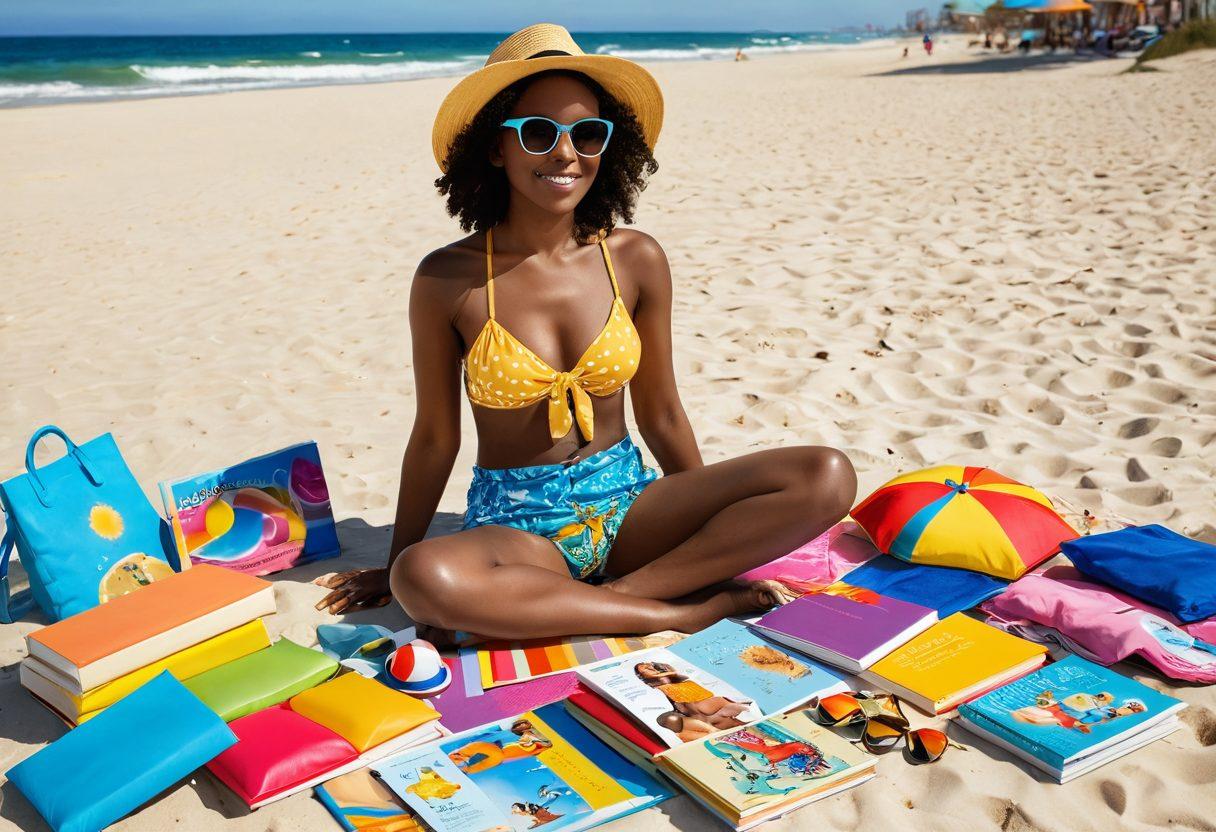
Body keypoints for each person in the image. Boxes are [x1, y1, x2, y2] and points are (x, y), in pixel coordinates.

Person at [313, 23, 856, 645]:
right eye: (539, 133)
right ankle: (676, 611)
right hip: (520, 529)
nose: (566, 154)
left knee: (827, 474)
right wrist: (394, 563)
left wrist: (707, 525)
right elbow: (436, 437)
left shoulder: (635, 259)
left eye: (587, 133)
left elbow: (662, 413)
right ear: (496, 147)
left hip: (631, 508)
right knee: (423, 578)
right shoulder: (447, 279)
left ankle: (613, 600)